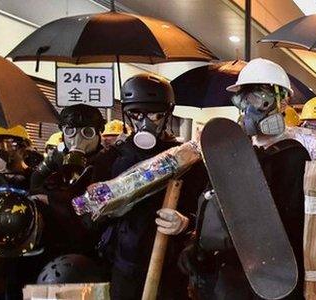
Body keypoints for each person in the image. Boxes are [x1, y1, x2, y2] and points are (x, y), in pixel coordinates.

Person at [182, 58, 309, 299]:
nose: (248, 109)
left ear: (282, 102)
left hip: (271, 279)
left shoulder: (293, 155)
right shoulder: (232, 153)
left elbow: (290, 224)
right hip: (229, 276)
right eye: (243, 99)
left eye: (258, 98)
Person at [89, 73, 207, 299]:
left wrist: (185, 222)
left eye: (155, 114)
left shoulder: (186, 158)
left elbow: (203, 211)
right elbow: (89, 220)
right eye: (136, 114)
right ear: (126, 114)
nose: (145, 122)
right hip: (123, 265)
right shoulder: (110, 159)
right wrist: (107, 207)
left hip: (170, 267)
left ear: (167, 114)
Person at [30, 104, 106, 258]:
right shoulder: (56, 157)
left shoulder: (107, 161)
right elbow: (35, 184)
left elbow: (95, 208)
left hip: (88, 246)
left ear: (99, 134)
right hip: (53, 241)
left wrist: (50, 199)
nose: (77, 140)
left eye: (87, 132)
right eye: (70, 132)